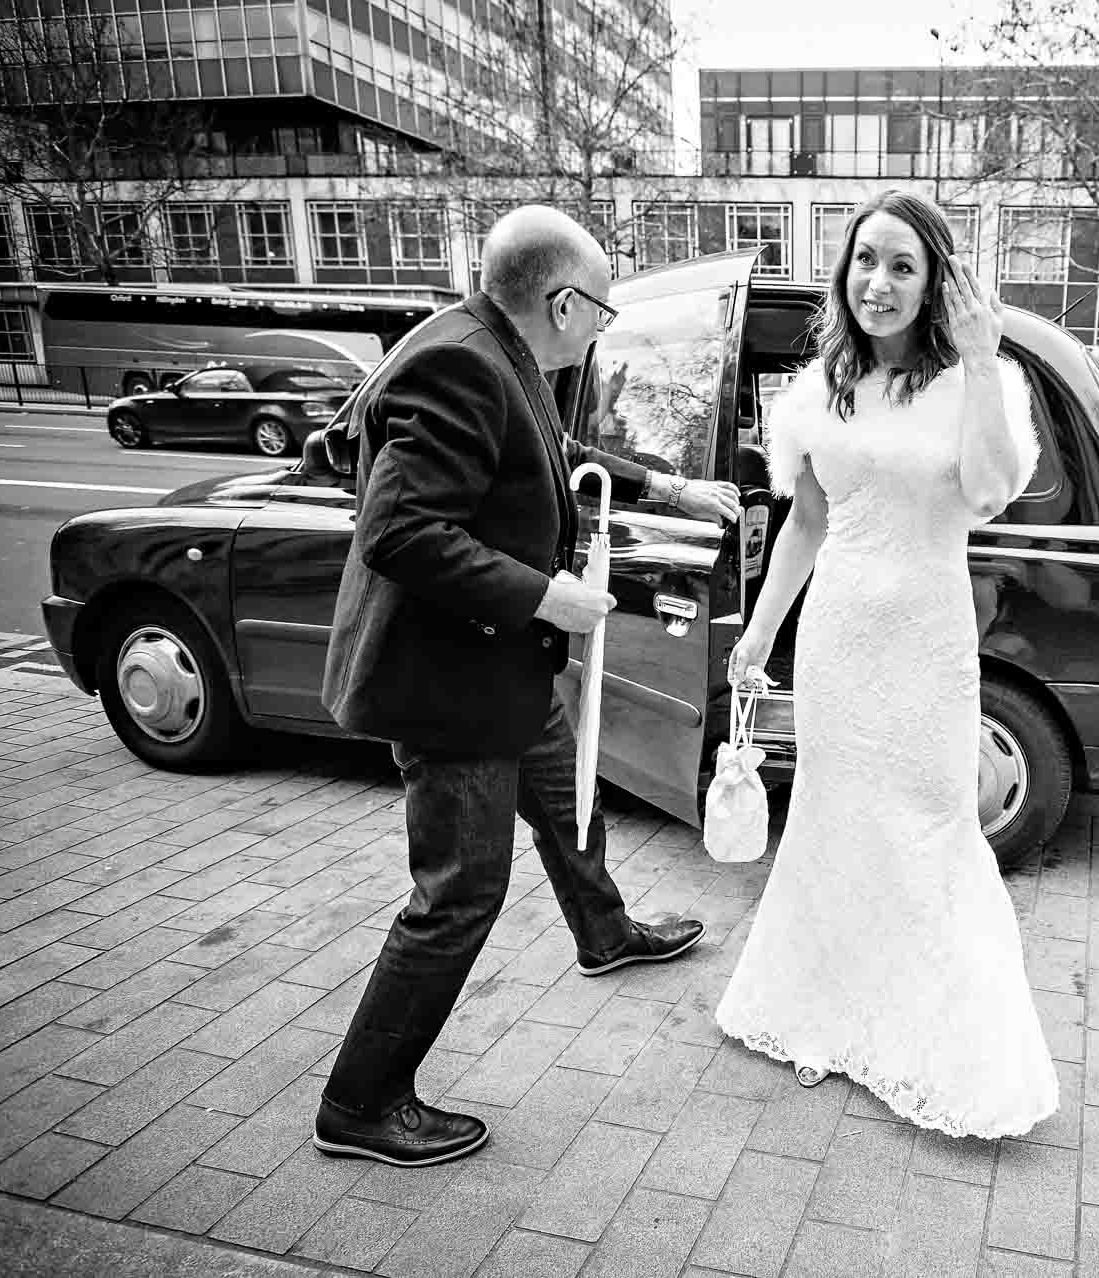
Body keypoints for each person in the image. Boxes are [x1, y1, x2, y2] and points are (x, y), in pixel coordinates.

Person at [313, 205, 740, 1168]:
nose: (605, 327)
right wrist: (548, 597)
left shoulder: (501, 352)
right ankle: (361, 1103)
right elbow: (401, 533)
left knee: (567, 794)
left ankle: (606, 930)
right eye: (603, 310)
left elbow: (560, 455)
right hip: (449, 683)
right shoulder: (461, 364)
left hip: (497, 667)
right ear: (561, 300)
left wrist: (670, 491)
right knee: (461, 892)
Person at [716, 189, 1059, 1139]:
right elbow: (808, 524)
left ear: (934, 280)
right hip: (837, 641)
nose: (879, 282)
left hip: (925, 643)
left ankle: (931, 1032)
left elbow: (989, 493)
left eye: (903, 265)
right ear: (845, 271)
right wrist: (757, 633)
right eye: (866, 260)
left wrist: (987, 358)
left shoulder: (973, 383)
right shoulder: (818, 387)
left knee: (929, 828)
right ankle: (828, 1014)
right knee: (834, 820)